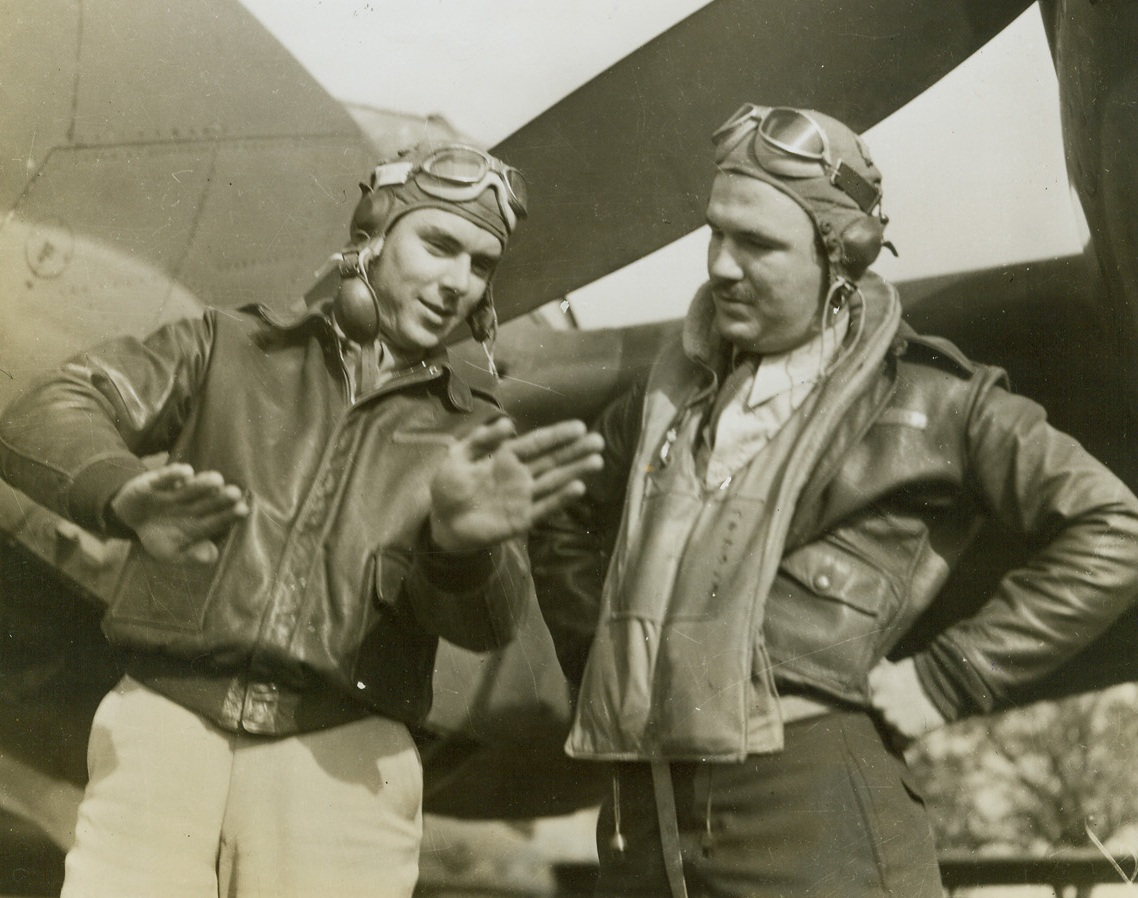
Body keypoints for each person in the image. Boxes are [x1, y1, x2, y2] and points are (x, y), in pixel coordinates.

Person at [530, 104, 1138, 898]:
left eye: (756, 244)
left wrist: (951, 678)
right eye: (715, 234)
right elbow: (555, 506)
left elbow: (1113, 527)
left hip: (811, 810)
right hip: (643, 820)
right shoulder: (665, 397)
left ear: (839, 257)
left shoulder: (938, 400)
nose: (719, 265)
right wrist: (604, 650)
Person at [0, 141, 603, 898]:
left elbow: (489, 624)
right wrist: (121, 492)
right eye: (439, 244)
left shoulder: (470, 433)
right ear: (373, 238)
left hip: (342, 769)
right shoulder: (225, 346)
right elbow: (51, 404)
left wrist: (459, 548)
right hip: (163, 733)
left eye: (480, 264)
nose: (456, 282)